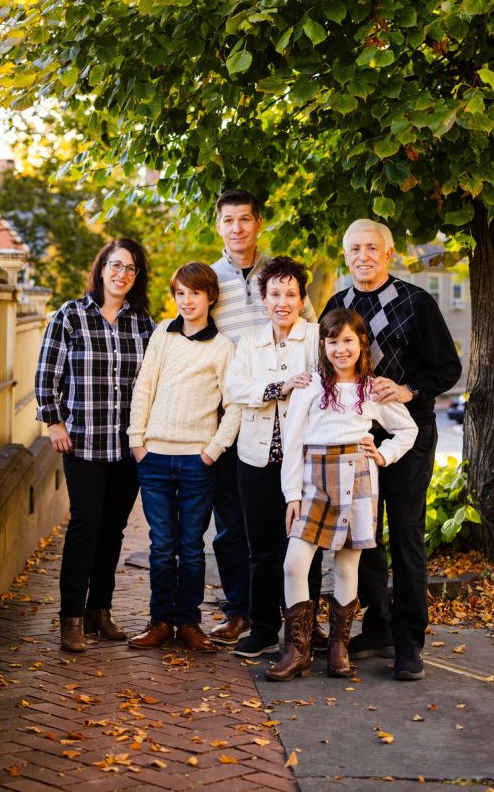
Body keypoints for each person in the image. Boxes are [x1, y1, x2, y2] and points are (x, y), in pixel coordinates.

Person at [318, 219, 462, 680]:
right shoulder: (338, 304)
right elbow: (326, 363)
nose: (363, 255)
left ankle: (408, 641)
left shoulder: (417, 303)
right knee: (364, 536)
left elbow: (448, 368)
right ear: (346, 255)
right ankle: (376, 626)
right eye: (355, 248)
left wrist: (409, 390)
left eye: (372, 247)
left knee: (404, 534)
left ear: (389, 251)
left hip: (408, 434)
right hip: (356, 436)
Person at [266, 308, 418, 682]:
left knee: (347, 566)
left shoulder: (373, 389)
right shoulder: (311, 387)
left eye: (348, 340)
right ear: (324, 345)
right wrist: (292, 495)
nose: (340, 349)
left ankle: (339, 648)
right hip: (314, 481)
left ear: (361, 343)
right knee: (294, 564)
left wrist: (383, 455)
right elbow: (293, 442)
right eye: (332, 341)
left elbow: (407, 429)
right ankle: (297, 649)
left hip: (357, 476)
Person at [35, 239, 155, 653]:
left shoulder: (143, 324)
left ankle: (98, 611)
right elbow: (47, 372)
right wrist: (53, 421)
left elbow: (155, 381)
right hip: (83, 442)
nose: (122, 274)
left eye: (131, 268)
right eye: (115, 265)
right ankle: (70, 618)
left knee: (113, 529)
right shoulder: (70, 316)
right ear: (101, 268)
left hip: (127, 445)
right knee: (85, 524)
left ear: (137, 277)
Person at [208, 190, 317, 646]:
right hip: (238, 418)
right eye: (229, 220)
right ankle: (243, 612)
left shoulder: (283, 275)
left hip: (297, 430)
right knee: (238, 524)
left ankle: (296, 620)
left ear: (257, 224)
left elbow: (317, 349)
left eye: (245, 220)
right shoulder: (210, 280)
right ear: (219, 226)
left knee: (297, 530)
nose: (237, 228)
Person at [127, 262, 241, 653]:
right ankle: (160, 622)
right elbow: (144, 387)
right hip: (155, 457)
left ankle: (189, 624)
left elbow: (235, 406)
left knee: (191, 547)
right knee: (162, 546)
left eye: (194, 293)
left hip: (197, 461)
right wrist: (137, 442)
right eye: (180, 293)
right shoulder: (163, 333)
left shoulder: (223, 347)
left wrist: (212, 451)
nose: (186, 301)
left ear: (210, 297)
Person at [225, 256, 319, 658]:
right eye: (275, 294)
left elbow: (324, 387)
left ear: (301, 299)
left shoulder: (316, 339)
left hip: (304, 462)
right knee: (261, 547)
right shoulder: (249, 342)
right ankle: (263, 628)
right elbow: (235, 389)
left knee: (304, 548)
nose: (283, 302)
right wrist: (279, 386)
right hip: (256, 460)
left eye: (291, 294)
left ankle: (304, 631)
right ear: (263, 298)